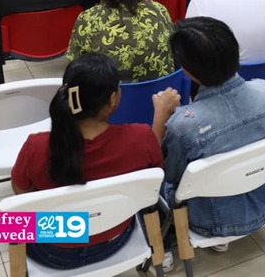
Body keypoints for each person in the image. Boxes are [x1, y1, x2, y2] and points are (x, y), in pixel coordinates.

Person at [11, 54, 171, 270]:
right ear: (112, 99)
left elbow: (20, 194)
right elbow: (155, 173)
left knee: (2, 220)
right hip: (115, 237)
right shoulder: (141, 138)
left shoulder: (35, 146)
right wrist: (160, 118)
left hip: (53, 252)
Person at [158, 17, 265, 249]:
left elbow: (170, 175)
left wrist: (160, 118)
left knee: (151, 179)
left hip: (213, 222)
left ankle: (162, 251)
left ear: (187, 71)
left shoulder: (183, 125)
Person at [67, 0, 175, 82]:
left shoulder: (86, 20)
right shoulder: (159, 9)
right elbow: (172, 51)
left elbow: (75, 64)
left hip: (111, 93)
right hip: (164, 90)